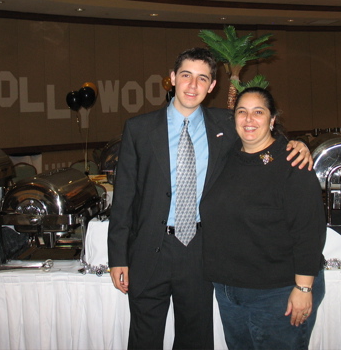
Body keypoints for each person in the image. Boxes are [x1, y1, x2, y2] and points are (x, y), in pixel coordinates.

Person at [107, 48, 313, 349]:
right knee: (143, 337)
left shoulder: (226, 125)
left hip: (200, 251)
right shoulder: (139, 129)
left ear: (212, 86)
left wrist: (296, 145)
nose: (193, 86)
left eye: (202, 79)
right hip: (150, 250)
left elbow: (260, 132)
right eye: (186, 76)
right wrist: (118, 257)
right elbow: (124, 197)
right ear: (173, 78)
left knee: (196, 337)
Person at [201, 87, 326, 350]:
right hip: (228, 289)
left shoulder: (292, 164)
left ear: (272, 120)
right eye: (242, 112)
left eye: (258, 112)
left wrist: (304, 289)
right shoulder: (225, 155)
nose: (249, 119)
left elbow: (309, 232)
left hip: (276, 293)